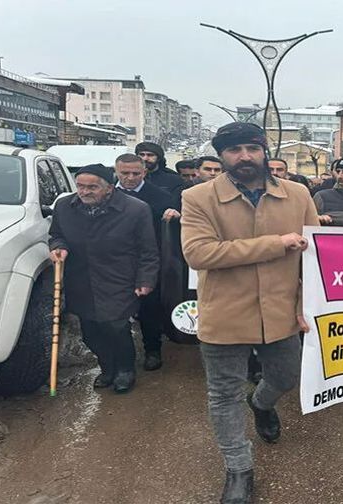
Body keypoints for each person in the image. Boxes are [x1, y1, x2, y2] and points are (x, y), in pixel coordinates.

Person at [180, 122, 318, 503]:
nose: (244, 156)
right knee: (223, 394)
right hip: (225, 313)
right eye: (234, 150)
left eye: (252, 149)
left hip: (281, 312)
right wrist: (275, 244)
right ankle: (238, 468)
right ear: (222, 156)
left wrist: (307, 305)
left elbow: (314, 257)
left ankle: (261, 403)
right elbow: (200, 253)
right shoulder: (197, 198)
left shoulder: (298, 194)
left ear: (264, 151)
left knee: (285, 377)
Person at [49, 164, 159, 394]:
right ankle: (107, 367)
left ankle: (125, 370)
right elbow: (56, 234)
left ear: (109, 188)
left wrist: (145, 279)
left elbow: (148, 250)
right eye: (80, 186)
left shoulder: (135, 209)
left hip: (118, 277)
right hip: (81, 278)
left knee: (115, 326)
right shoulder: (64, 206)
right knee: (90, 331)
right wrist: (58, 247)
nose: (85, 192)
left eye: (92, 187)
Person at [114, 153, 178, 371]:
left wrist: (175, 215)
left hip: (148, 261)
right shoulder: (106, 194)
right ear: (116, 171)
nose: (130, 178)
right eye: (125, 173)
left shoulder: (160, 197)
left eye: (136, 173)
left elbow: (171, 230)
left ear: (144, 172)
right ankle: (120, 358)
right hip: (114, 262)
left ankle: (152, 350)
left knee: (149, 308)